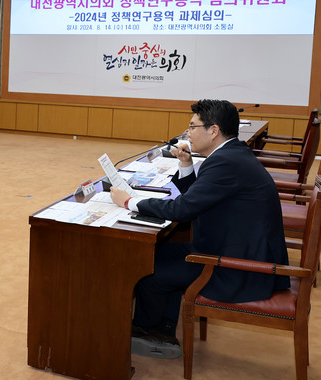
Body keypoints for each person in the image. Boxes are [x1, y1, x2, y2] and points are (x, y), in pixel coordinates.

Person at [109, 99, 289, 359]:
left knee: (149, 271)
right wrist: (185, 163)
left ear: (213, 130)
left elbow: (182, 209)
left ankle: (148, 331)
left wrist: (129, 202)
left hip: (238, 267)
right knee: (154, 254)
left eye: (193, 127)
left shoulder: (225, 163)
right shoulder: (232, 154)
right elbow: (199, 197)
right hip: (233, 247)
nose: (188, 133)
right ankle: (163, 328)